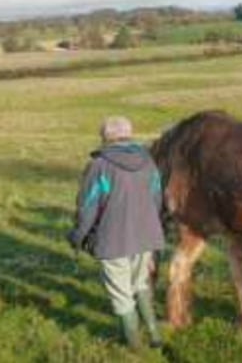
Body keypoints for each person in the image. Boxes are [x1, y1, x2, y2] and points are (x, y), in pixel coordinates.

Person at [67, 116, 165, 349]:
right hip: (147, 238)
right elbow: (157, 199)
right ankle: (155, 336)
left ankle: (135, 349)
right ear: (129, 135)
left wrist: (78, 237)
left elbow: (87, 208)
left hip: (113, 241)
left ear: (105, 137)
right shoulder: (149, 161)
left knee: (122, 297)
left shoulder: (99, 166)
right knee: (140, 283)